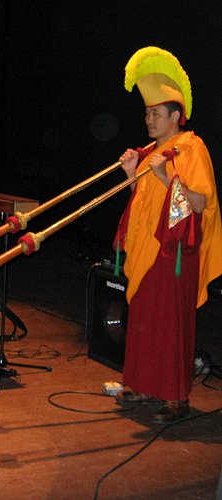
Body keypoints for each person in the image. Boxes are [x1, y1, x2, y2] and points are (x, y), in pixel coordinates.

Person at [113, 47, 222, 423]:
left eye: (155, 113)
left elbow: (199, 203)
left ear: (175, 115)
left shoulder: (192, 149)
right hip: (148, 249)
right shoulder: (151, 152)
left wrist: (164, 175)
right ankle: (143, 384)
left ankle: (176, 397)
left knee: (170, 325)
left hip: (176, 253)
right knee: (143, 319)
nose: (148, 120)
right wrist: (132, 174)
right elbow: (143, 204)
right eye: (146, 113)